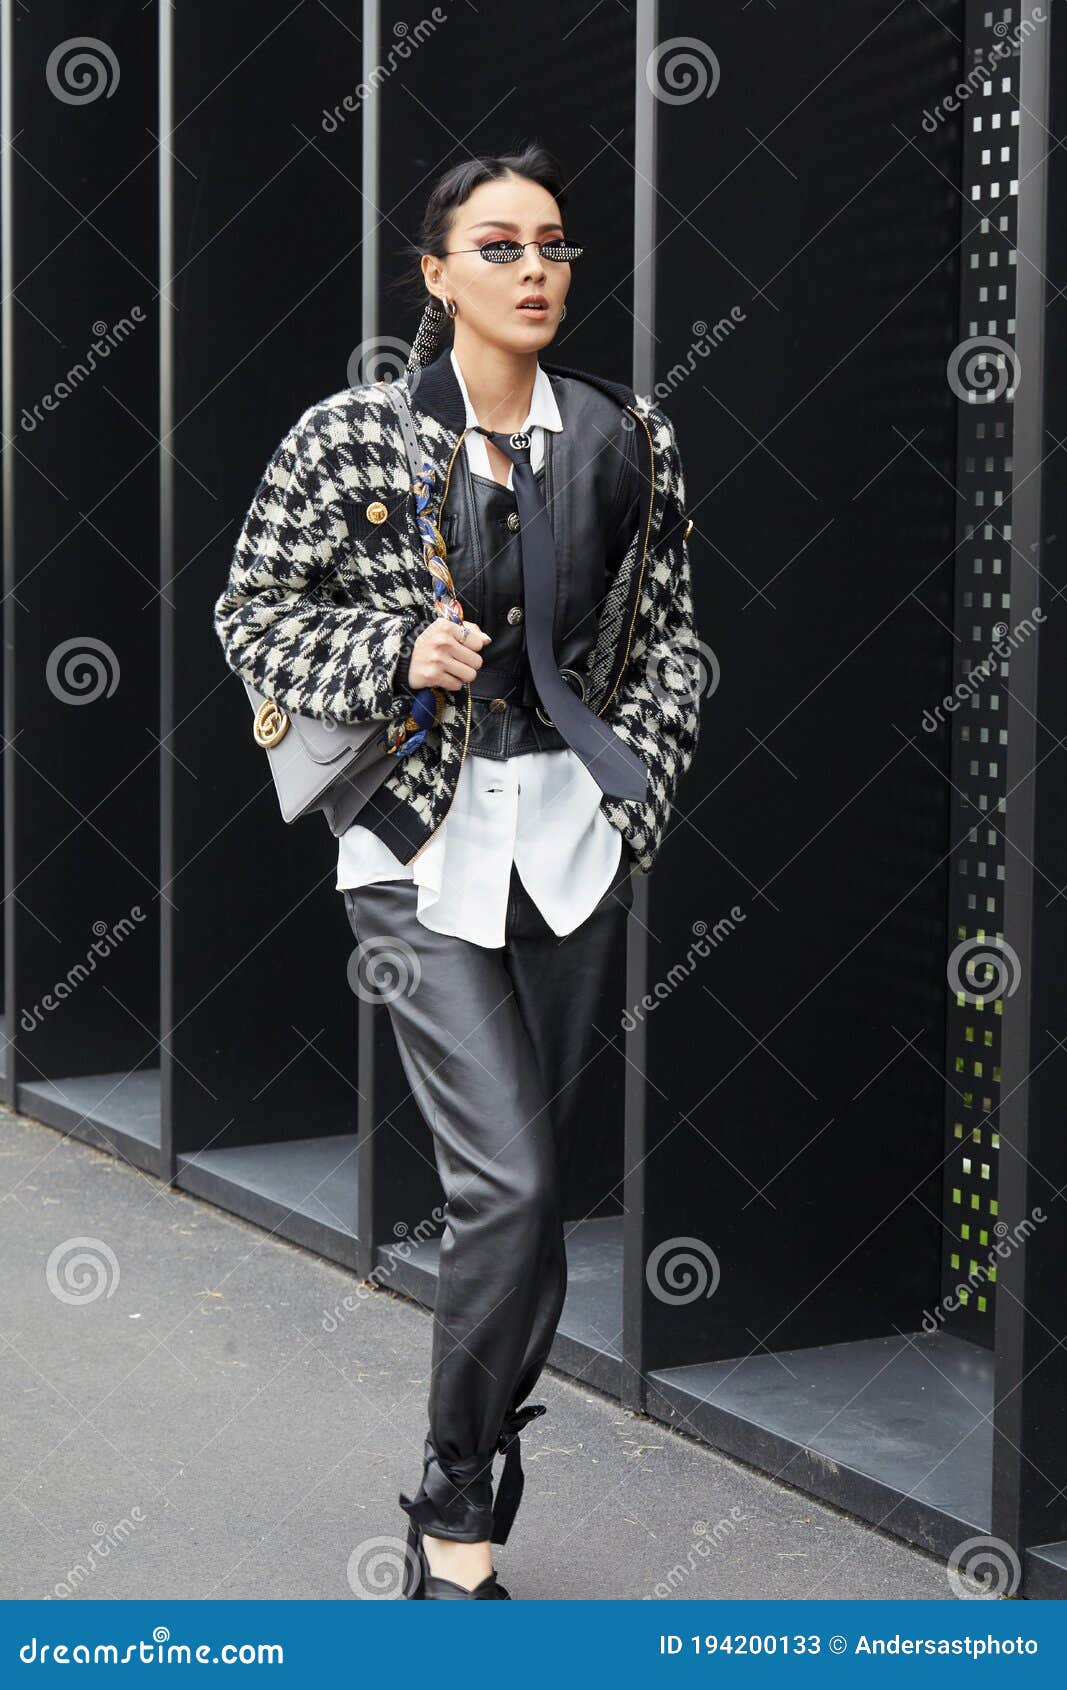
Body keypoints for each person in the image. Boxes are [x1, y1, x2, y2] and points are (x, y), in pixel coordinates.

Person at [213, 143, 702, 1600]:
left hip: (568, 850)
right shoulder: (354, 437)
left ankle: (466, 1478)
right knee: (509, 1185)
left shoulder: (628, 440)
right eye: (497, 247)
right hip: (417, 849)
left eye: (551, 244)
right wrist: (390, 653)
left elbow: (675, 635)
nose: (535, 268)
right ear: (436, 277)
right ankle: (453, 1510)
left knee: (533, 1202)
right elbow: (252, 609)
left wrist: (639, 795)